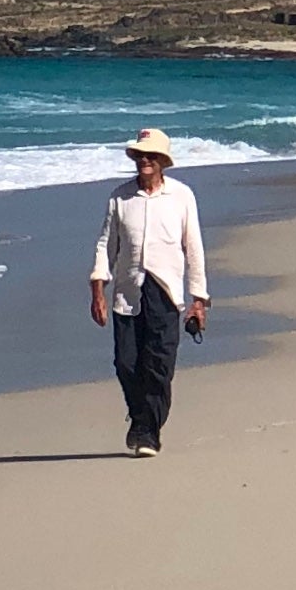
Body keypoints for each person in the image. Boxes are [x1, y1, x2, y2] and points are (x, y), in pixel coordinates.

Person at [86, 130, 206, 455]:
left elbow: (193, 248)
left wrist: (199, 300)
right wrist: (98, 288)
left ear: (163, 161)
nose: (144, 160)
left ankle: (147, 433)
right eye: (140, 155)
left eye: (151, 155)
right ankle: (141, 420)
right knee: (126, 363)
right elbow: (105, 245)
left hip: (165, 293)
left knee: (159, 364)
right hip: (127, 292)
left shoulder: (182, 196)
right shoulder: (119, 198)